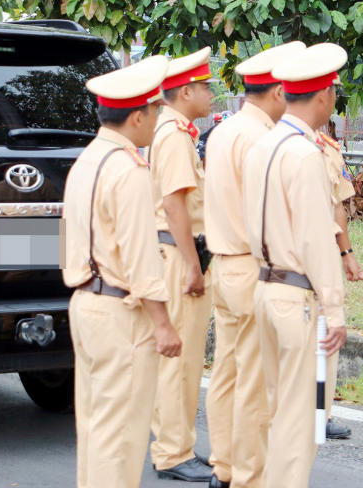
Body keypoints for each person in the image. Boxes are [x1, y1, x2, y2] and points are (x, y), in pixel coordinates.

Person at [61, 55, 183, 488]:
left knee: (96, 428)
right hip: (120, 312)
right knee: (123, 437)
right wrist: (164, 324)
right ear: (137, 116)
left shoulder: (86, 161)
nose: (156, 121)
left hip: (85, 301)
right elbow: (140, 259)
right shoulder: (129, 170)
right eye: (154, 112)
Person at [242, 43, 348, 488]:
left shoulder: (263, 144)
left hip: (264, 284)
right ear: (323, 96)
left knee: (275, 403)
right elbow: (315, 238)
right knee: (299, 415)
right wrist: (335, 308)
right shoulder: (304, 154)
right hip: (296, 293)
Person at [203, 40, 306, 488]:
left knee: (226, 373)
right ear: (280, 91)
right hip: (250, 266)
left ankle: (224, 464)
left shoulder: (225, 128)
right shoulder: (263, 138)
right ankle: (249, 475)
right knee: (256, 383)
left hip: (222, 264)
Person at [147, 46, 216, 482]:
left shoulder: (176, 131)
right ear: (187, 89)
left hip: (176, 252)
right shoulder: (173, 135)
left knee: (181, 358)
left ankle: (174, 443)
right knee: (180, 358)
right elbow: (174, 206)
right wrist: (193, 266)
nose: (211, 94)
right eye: (207, 87)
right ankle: (172, 452)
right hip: (178, 254)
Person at [315, 128, 363, 439]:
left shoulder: (327, 147)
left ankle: (322, 412)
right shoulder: (271, 139)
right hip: (281, 257)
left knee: (328, 329)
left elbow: (337, 207)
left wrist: (346, 253)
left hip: (323, 252)